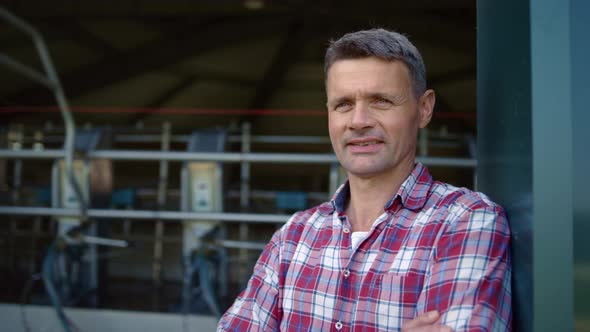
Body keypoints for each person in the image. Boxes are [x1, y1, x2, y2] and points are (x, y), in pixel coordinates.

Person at [217, 28, 511, 331]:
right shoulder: (294, 236)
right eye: (343, 104)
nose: (358, 121)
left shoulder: (466, 221)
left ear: (424, 109)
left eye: (381, 100)